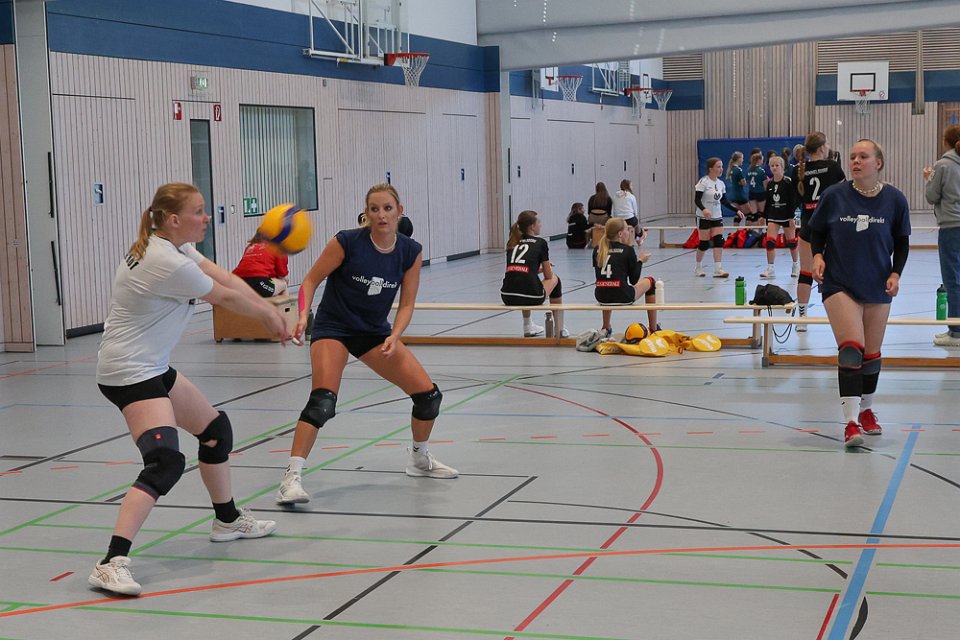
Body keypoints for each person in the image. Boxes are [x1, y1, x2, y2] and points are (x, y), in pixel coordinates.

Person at [89, 183, 286, 596]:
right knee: (165, 462)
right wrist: (268, 315)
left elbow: (224, 277)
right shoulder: (165, 260)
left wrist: (268, 308)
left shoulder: (175, 247)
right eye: (199, 211)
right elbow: (223, 296)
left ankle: (227, 520)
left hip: (151, 365)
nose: (206, 217)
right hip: (130, 372)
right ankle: (111, 563)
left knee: (215, 432)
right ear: (174, 219)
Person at [277, 183, 457, 506]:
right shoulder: (347, 242)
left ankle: (419, 458)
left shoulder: (410, 251)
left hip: (374, 332)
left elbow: (407, 303)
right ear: (367, 214)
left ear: (399, 211)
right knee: (322, 403)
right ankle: (291, 477)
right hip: (335, 328)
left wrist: (395, 334)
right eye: (374, 209)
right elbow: (311, 280)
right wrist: (302, 315)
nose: (381, 215)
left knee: (428, 397)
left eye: (387, 208)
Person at [807, 139, 910, 448]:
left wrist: (895, 273)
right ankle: (850, 422)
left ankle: (866, 411)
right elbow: (816, 232)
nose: (855, 161)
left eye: (863, 156)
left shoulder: (895, 199)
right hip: (839, 282)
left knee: (871, 355)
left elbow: (901, 242)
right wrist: (817, 256)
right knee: (852, 348)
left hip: (877, 282)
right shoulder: (834, 195)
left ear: (878, 163)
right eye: (852, 156)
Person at [796, 132, 846, 331]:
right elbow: (845, 194)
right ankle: (841, 317)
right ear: (822, 147)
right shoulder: (832, 167)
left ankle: (802, 318)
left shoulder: (799, 169)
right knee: (837, 273)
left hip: (808, 223)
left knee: (805, 272)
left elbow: (797, 197)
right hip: (831, 224)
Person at [500, 209, 568, 337]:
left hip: (507, 295)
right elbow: (548, 276)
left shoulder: (513, 243)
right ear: (532, 226)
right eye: (539, 222)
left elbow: (517, 270)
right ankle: (560, 327)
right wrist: (547, 268)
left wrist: (538, 269)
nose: (540, 225)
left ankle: (527, 325)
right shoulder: (540, 243)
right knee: (555, 279)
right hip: (532, 297)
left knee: (522, 281)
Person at [924, 124, 960, 346]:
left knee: (953, 280)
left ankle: (956, 332)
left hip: (952, 227)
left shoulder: (943, 165)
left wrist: (929, 178)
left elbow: (932, 196)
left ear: (946, 142)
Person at [594, 218, 658, 339]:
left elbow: (599, 276)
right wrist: (640, 261)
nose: (629, 232)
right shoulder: (627, 250)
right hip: (623, 296)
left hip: (601, 296)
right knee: (650, 281)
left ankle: (605, 327)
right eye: (627, 230)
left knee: (607, 283)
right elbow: (634, 280)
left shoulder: (598, 249)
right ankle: (653, 328)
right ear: (620, 233)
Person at [694, 157, 744, 278]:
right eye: (718, 166)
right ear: (710, 169)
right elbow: (697, 200)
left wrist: (736, 210)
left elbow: (724, 201)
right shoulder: (704, 182)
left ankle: (718, 269)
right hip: (704, 217)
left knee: (719, 240)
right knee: (704, 244)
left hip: (717, 216)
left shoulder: (721, 184)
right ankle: (698, 267)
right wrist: (704, 209)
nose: (721, 169)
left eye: (722, 166)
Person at [759, 156, 800, 279]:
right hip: (773, 215)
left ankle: (795, 265)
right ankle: (770, 268)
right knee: (770, 242)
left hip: (787, 216)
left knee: (791, 243)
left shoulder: (788, 182)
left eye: (777, 165)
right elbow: (768, 201)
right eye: (772, 166)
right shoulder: (770, 183)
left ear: (783, 167)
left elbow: (793, 201)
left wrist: (791, 217)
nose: (774, 168)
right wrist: (763, 216)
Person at [232, 231, 289, 297]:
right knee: (283, 284)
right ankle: (287, 303)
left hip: (238, 283)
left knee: (271, 284)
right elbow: (283, 276)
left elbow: (250, 268)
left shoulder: (251, 246)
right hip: (259, 282)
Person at [726, 151, 751, 225]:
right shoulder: (738, 170)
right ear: (739, 159)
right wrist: (745, 181)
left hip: (733, 194)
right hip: (740, 195)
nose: (743, 160)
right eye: (742, 158)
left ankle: (736, 229)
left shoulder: (731, 170)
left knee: (738, 213)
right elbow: (744, 183)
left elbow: (735, 181)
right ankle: (747, 230)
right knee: (750, 214)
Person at [746, 152, 768, 224]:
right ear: (759, 160)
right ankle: (760, 230)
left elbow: (747, 182)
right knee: (761, 213)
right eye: (762, 160)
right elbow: (765, 184)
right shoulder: (761, 171)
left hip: (751, 193)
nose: (762, 161)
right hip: (760, 193)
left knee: (755, 214)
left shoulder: (749, 170)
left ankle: (753, 229)